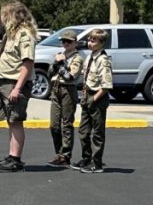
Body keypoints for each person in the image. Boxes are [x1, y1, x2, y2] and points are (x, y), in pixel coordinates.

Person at [0, 0, 37, 173]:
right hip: (4, 81)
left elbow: (27, 63)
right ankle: (11, 155)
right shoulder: (10, 34)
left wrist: (18, 88)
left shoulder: (24, 34)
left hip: (14, 82)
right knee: (11, 121)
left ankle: (16, 159)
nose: (1, 18)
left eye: (4, 15)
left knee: (16, 121)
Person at [72, 28, 112, 174]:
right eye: (89, 39)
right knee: (83, 131)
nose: (90, 42)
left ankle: (97, 163)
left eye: (93, 40)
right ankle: (86, 158)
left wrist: (93, 99)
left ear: (102, 43)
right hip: (87, 95)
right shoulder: (90, 57)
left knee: (97, 133)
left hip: (97, 97)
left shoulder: (103, 60)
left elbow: (106, 86)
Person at [47, 29, 85, 166]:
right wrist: (56, 63)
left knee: (66, 124)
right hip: (55, 88)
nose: (65, 43)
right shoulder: (60, 55)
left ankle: (65, 155)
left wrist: (62, 63)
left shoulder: (77, 58)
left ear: (75, 43)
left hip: (68, 89)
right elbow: (50, 72)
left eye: (68, 41)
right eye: (63, 41)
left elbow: (70, 76)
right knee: (54, 125)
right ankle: (58, 152)